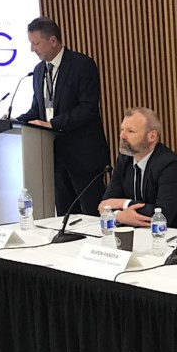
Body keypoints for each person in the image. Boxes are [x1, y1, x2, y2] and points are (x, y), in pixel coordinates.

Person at [15, 17, 109, 216]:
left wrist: (53, 124)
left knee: (93, 214)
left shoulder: (82, 65)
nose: (32, 49)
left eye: (36, 43)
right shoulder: (39, 71)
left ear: (53, 41)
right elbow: (37, 110)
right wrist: (15, 121)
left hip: (83, 156)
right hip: (54, 156)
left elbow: (88, 108)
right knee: (66, 216)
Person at [97, 107, 177, 228]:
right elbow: (105, 204)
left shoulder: (171, 166)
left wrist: (123, 203)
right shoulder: (124, 160)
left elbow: (162, 215)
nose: (122, 136)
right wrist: (120, 216)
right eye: (122, 129)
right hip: (141, 234)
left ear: (152, 136)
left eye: (130, 131)